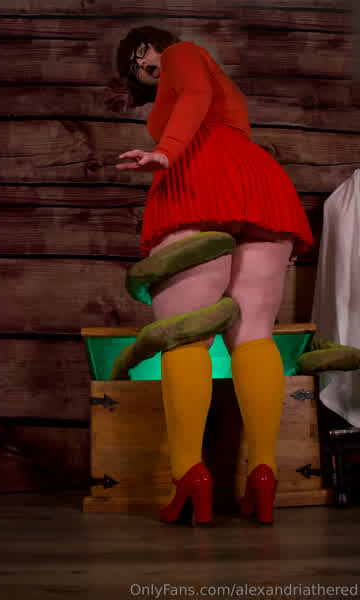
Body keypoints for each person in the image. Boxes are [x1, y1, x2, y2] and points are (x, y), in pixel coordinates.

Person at [115, 26, 313, 525]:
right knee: (254, 337)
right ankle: (263, 474)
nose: (145, 64)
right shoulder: (197, 80)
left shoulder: (182, 53)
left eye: (144, 51)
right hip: (258, 184)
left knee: (186, 336)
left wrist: (167, 151)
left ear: (161, 43)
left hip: (196, 178)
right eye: (135, 67)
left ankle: (189, 476)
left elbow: (197, 93)